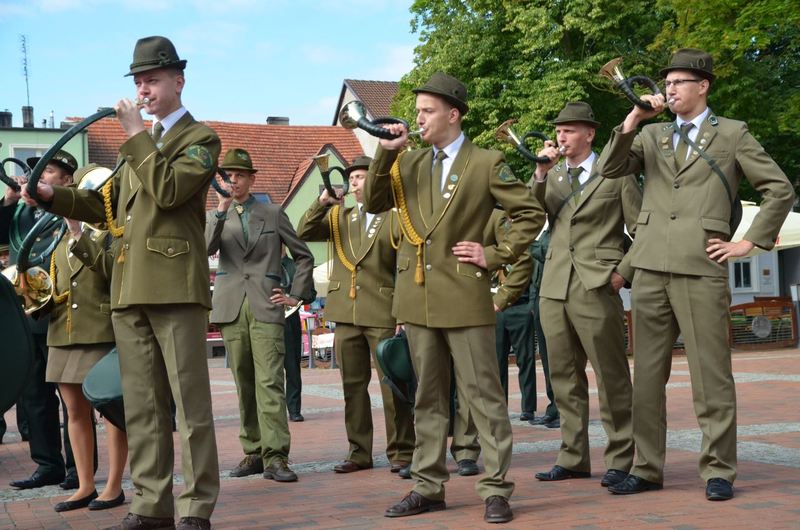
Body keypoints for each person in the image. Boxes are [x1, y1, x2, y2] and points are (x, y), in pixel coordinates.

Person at [24, 36, 222, 530]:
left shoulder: (200, 139)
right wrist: (53, 196)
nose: (144, 89)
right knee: (142, 406)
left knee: (189, 405)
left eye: (152, 80)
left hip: (175, 287)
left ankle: (196, 508)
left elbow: (170, 191)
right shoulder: (143, 145)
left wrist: (135, 135)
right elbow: (106, 206)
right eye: (138, 82)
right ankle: (152, 505)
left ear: (179, 80)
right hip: (129, 289)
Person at [597, 49, 794, 501]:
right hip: (648, 267)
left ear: (703, 86)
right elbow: (609, 170)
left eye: (679, 82)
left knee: (711, 374)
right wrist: (631, 121)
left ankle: (719, 469)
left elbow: (778, 188)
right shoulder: (652, 135)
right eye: (667, 83)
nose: (670, 89)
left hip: (702, 266)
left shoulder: (732, 133)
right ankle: (646, 467)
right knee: (646, 375)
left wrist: (751, 241)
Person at [363, 72, 544, 524]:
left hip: (464, 295)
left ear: (453, 114)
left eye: (427, 110)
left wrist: (497, 253)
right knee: (426, 398)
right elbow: (371, 202)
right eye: (418, 110)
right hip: (417, 296)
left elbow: (530, 211)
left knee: (483, 395)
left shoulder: (485, 161)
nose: (419, 118)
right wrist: (386, 154)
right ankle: (428, 486)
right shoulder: (409, 162)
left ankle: (497, 487)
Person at [528, 101, 641, 488]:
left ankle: (621, 459)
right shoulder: (552, 175)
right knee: (562, 377)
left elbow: (641, 229)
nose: (562, 136)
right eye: (559, 130)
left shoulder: (617, 173)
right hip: (554, 287)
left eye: (570, 130)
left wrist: (622, 275)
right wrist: (540, 171)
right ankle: (573, 457)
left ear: (590, 134)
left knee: (611, 377)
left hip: (596, 283)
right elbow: (528, 213)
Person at [296, 155, 415, 475]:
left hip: (382, 311)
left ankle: (402, 451)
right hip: (344, 312)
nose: (355, 183)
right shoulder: (339, 216)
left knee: (393, 386)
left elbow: (405, 268)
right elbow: (303, 230)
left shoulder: (394, 218)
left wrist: (402, 310)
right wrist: (321, 202)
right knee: (352, 387)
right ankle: (359, 451)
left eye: (362, 177)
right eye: (352, 179)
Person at [206, 147, 315, 484]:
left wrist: (295, 294)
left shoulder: (272, 212)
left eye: (240, 175)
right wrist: (221, 212)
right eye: (229, 175)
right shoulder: (214, 214)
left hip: (267, 305)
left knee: (270, 381)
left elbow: (303, 256)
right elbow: (205, 249)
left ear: (252, 178)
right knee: (244, 382)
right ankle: (253, 451)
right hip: (230, 306)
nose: (234, 180)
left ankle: (276, 456)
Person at [2, 150, 90, 492]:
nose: (40, 178)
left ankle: (76, 469)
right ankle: (47, 464)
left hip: (60, 311)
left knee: (72, 399)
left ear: (66, 180)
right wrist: (9, 202)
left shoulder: (67, 208)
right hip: (25, 312)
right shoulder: (21, 210)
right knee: (34, 396)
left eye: (48, 172)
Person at [44, 164, 128, 513]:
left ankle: (113, 486)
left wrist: (80, 235)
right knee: (74, 412)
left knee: (110, 413)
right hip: (63, 333)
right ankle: (84, 485)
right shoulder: (57, 238)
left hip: (99, 331)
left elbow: (112, 273)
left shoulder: (108, 233)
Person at [487, 209, 536, 421]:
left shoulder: (521, 246)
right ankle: (500, 407)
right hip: (495, 307)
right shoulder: (491, 248)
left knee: (525, 359)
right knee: (497, 361)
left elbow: (528, 274)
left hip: (520, 306)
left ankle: (528, 407)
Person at [527, 234, 560, 428]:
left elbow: (543, 251)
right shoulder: (545, 233)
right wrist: (533, 302)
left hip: (557, 296)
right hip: (540, 298)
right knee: (547, 359)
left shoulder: (553, 232)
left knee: (560, 358)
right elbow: (535, 275)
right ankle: (554, 407)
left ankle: (563, 409)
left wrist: (523, 238)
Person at [281, 253, 309, 423]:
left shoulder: (295, 266)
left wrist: (294, 299)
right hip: (265, 317)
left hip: (290, 319)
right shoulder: (263, 260)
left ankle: (294, 409)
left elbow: (310, 293)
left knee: (292, 367)